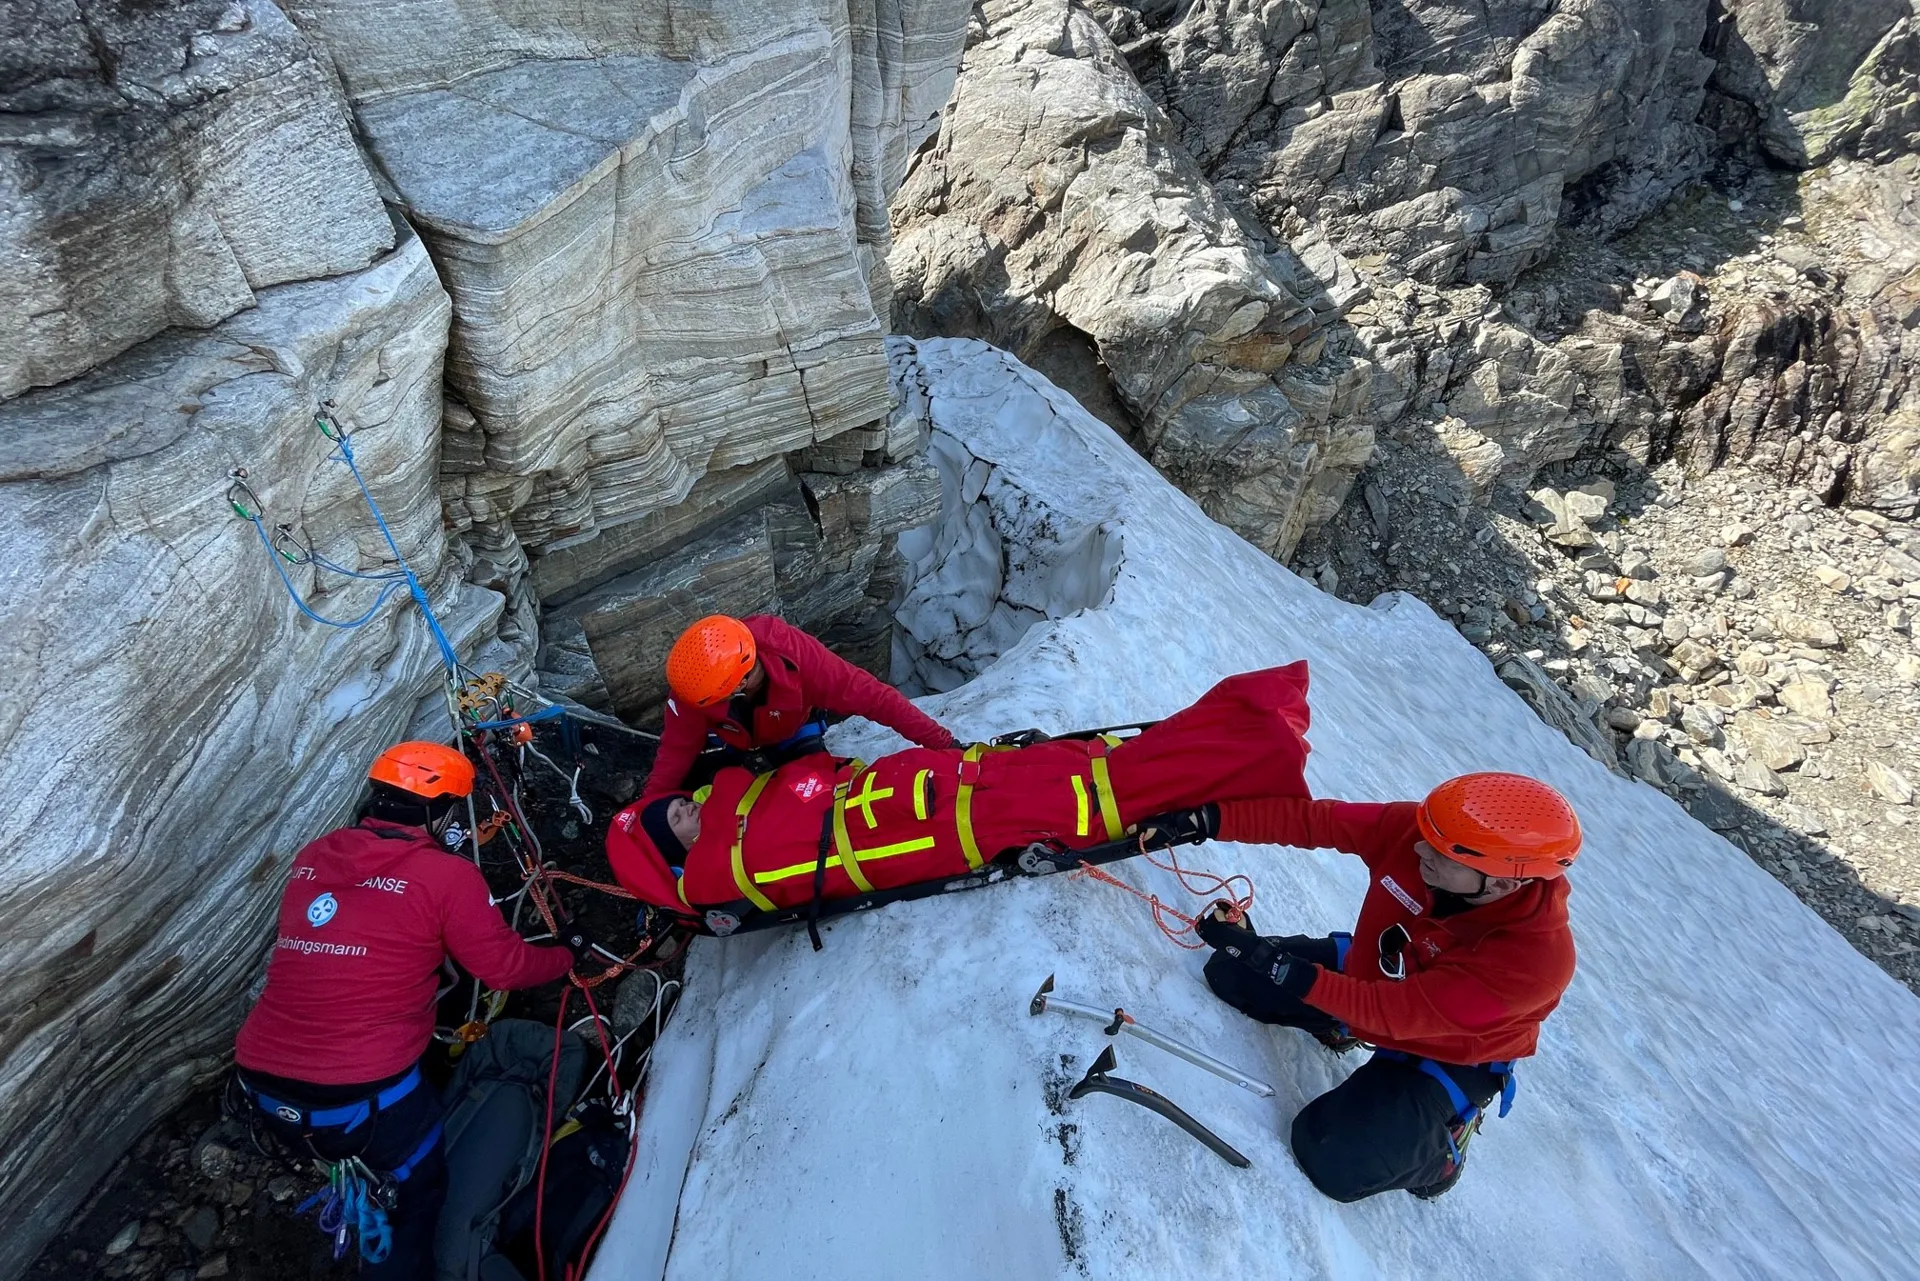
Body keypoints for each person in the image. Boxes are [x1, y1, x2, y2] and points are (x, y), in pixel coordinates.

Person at [233, 742, 592, 1277]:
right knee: (417, 1195)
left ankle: (357, 1187)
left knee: (358, 1159)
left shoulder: (313, 856)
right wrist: (566, 955)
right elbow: (504, 969)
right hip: (366, 1094)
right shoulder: (446, 877)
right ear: (439, 812)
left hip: (261, 1083)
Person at [607, 664, 1314, 927]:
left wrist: (938, 749)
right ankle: (1255, 748)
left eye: (683, 799)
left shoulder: (741, 796)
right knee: (1085, 796)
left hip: (929, 788)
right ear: (680, 847)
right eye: (681, 814)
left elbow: (826, 761)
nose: (693, 801)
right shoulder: (721, 870)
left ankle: (1243, 729)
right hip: (932, 828)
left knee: (1075, 765)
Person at [1191, 772, 1580, 1203]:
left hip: (1448, 1051)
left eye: (1438, 853)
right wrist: (1205, 820)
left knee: (1331, 1155)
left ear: (1502, 883)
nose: (1417, 847)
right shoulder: (1431, 835)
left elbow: (1390, 1011)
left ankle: (1441, 1155)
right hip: (1378, 974)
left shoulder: (1536, 962)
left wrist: (1270, 960)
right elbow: (1311, 821)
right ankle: (1340, 1022)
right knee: (1229, 973)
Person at [640, 614, 959, 805]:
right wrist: (648, 806)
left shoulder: (797, 657)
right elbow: (676, 750)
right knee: (706, 792)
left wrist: (942, 742)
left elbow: (874, 697)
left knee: (813, 796)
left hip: (789, 726)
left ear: (741, 682)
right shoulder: (696, 685)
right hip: (730, 738)